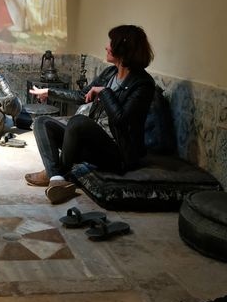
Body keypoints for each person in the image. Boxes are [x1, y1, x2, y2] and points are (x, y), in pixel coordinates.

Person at [25, 25, 155, 204]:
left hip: (119, 154)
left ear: (123, 49)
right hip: (94, 145)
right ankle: (56, 178)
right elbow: (82, 96)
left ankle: (55, 173)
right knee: (42, 122)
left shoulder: (143, 84)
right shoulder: (110, 73)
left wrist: (104, 92)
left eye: (111, 43)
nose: (106, 47)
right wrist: (49, 92)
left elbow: (121, 120)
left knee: (78, 122)